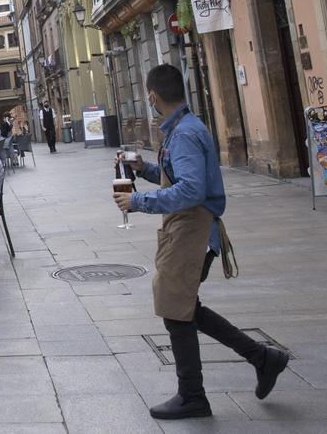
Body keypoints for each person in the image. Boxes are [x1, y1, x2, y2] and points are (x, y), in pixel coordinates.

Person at [112, 64, 288, 420]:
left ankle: (193, 395)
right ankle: (262, 357)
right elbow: (181, 175)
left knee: (177, 312)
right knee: (186, 309)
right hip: (188, 229)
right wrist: (143, 169)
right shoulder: (183, 128)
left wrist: (138, 201)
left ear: (152, 95)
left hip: (192, 230)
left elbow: (191, 189)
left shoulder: (185, 134)